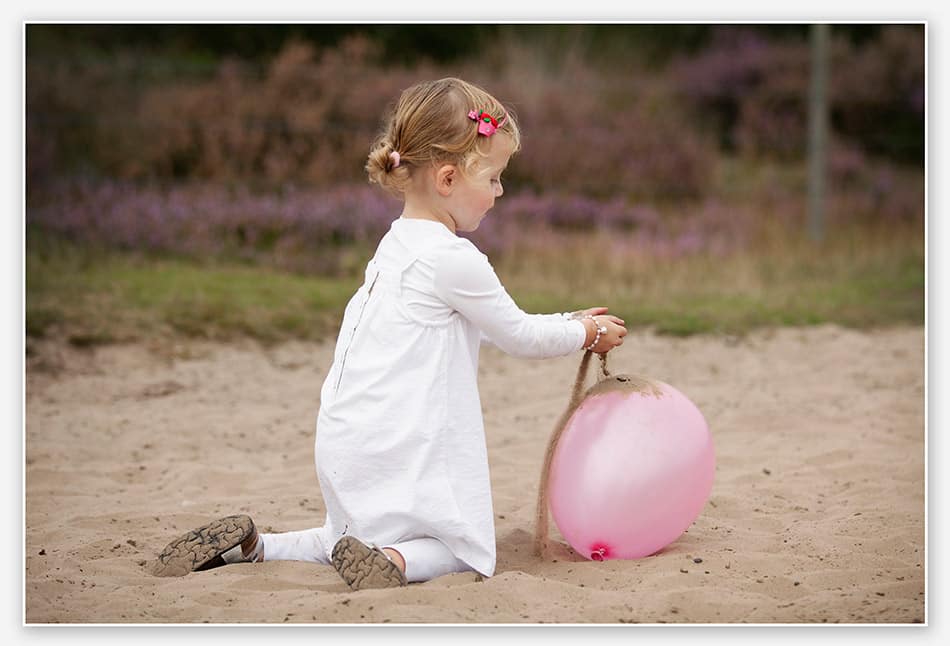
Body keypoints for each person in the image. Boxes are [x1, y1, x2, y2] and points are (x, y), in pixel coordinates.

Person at [153, 77, 627, 590]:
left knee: (344, 535)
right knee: (463, 550)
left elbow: (487, 325)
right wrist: (586, 332)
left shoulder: (397, 245)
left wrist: (565, 321)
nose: (500, 191)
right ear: (447, 179)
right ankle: (396, 565)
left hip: (347, 439)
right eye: (492, 178)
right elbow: (517, 337)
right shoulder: (454, 258)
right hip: (399, 444)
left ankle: (258, 547)